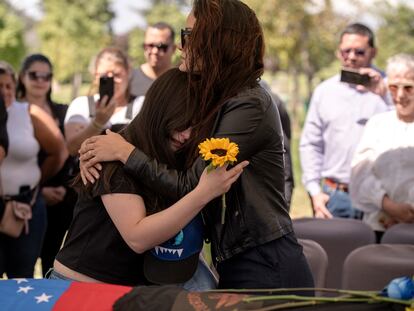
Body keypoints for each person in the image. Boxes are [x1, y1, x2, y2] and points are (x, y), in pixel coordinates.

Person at [80, 0, 314, 291]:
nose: (180, 46)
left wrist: (124, 152)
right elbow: (156, 125)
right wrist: (99, 147)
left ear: (219, 41)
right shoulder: (222, 97)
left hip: (263, 261)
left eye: (188, 36)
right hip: (238, 257)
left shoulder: (248, 104)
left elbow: (191, 185)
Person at [52, 68, 248, 289]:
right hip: (82, 288)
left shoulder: (168, 151)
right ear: (159, 111)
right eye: (181, 123)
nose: (186, 135)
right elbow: (137, 237)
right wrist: (203, 194)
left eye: (196, 126)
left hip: (130, 290)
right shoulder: (113, 153)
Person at [299, 23, 390, 219]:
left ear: (373, 52)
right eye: (345, 51)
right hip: (335, 195)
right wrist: (315, 191)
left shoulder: (393, 90)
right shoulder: (324, 92)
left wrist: (385, 96)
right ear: (338, 53)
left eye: (359, 52)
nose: (351, 57)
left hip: (381, 198)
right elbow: (311, 144)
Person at [0, 61, 66, 278]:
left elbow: (59, 151)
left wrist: (38, 182)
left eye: (8, 86)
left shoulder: (29, 112)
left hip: (26, 205)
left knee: (22, 276)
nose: (4, 91)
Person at [15, 54, 77, 276]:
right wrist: (39, 191)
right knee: (22, 266)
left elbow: (72, 154)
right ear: (22, 77)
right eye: (34, 75)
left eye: (46, 76)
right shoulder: (11, 111)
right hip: (23, 199)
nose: (41, 80)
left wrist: (64, 189)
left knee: (54, 261)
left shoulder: (64, 111)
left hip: (61, 198)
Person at [350, 53, 414, 242]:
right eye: (393, 87)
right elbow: (360, 174)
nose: (400, 95)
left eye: (408, 88)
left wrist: (408, 212)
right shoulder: (377, 125)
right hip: (380, 228)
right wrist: (389, 206)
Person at [65, 47, 143, 156]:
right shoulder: (81, 105)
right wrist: (98, 123)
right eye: (105, 76)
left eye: (116, 75)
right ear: (95, 76)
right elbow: (72, 149)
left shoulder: (141, 105)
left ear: (128, 72)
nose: (112, 81)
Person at [129, 22, 176, 98]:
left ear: (174, 49)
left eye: (161, 47)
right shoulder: (128, 80)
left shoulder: (182, 81)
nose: (154, 51)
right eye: (150, 46)